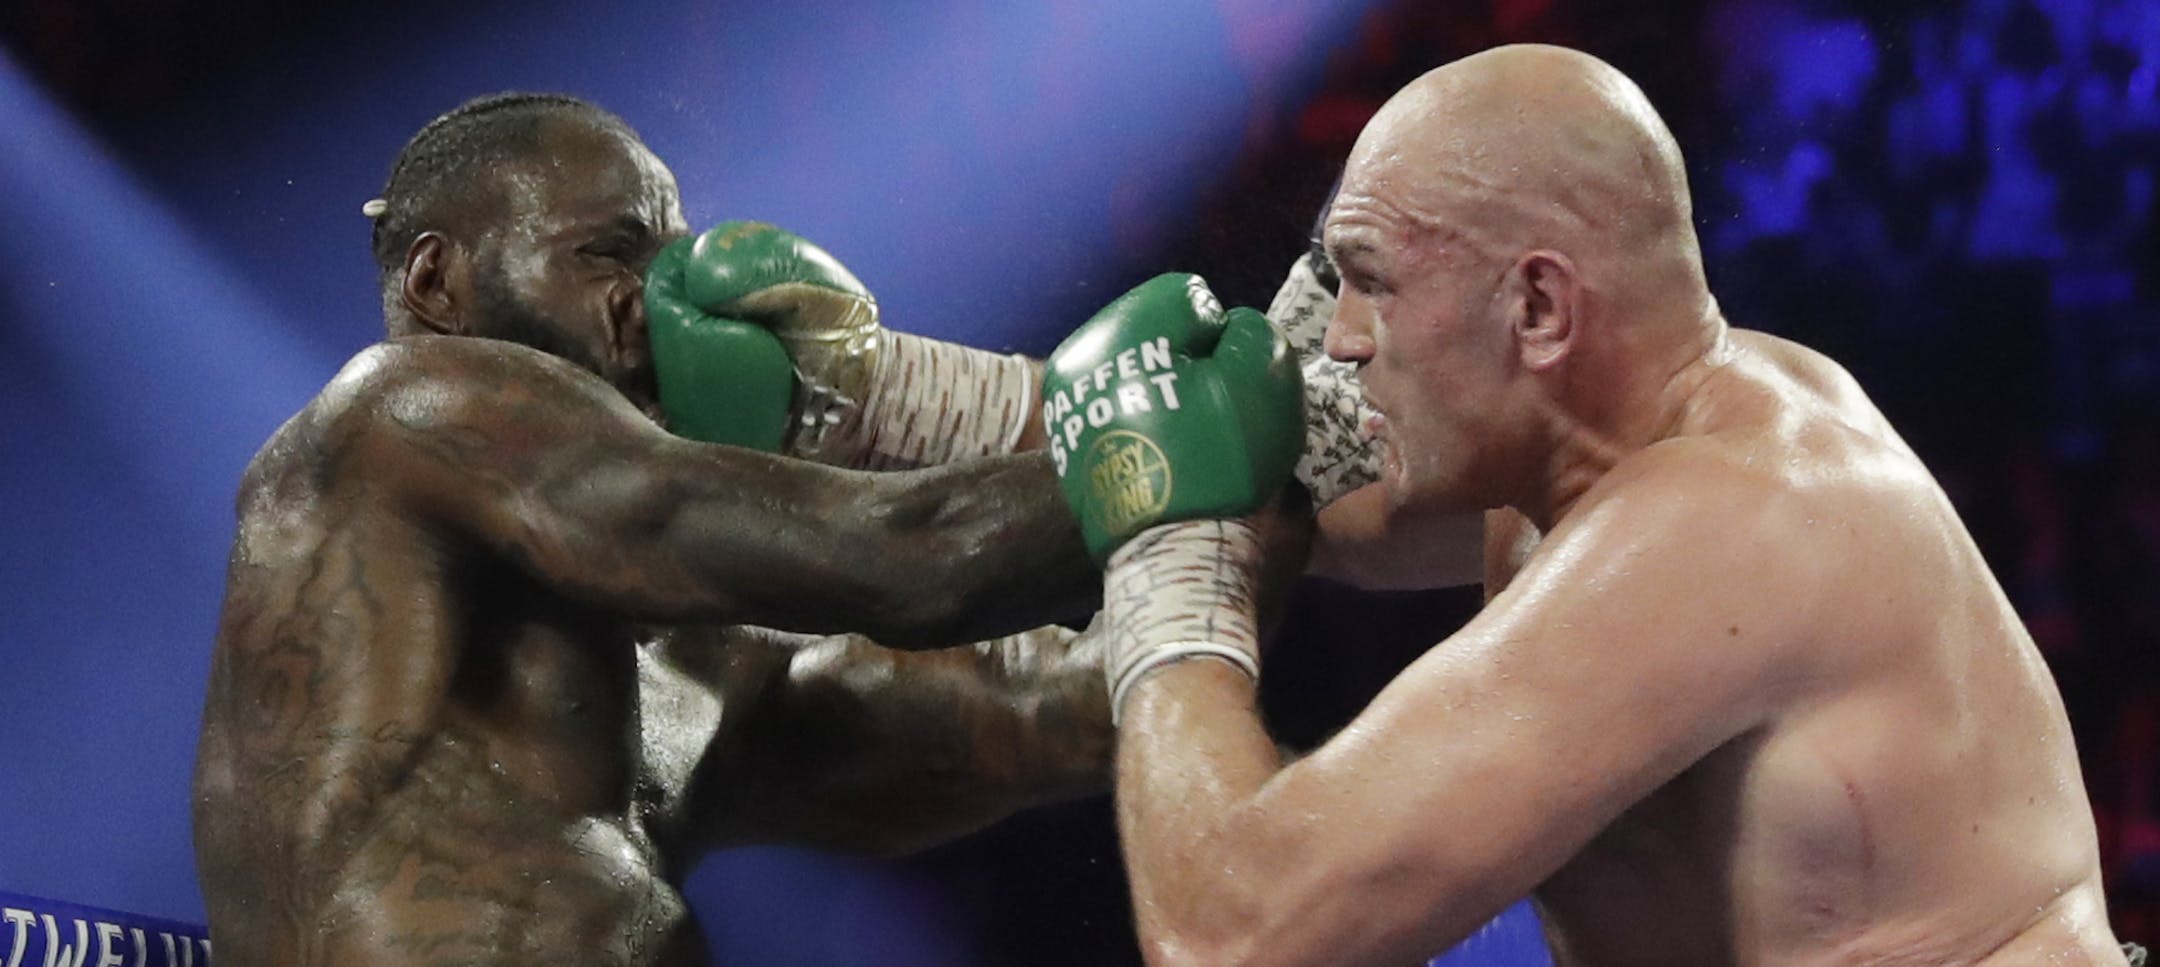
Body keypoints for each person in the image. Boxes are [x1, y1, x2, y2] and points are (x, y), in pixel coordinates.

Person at [1046, 44, 2141, 965]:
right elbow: (1225, 473)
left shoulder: (1726, 521)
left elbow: (1237, 937)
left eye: (1372, 280)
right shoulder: (1593, 448)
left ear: (1536, 305)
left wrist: (1167, 561)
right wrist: (901, 391)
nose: (1337, 338)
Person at [190, 92, 1122, 966]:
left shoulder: (691, 656)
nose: (669, 306)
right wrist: (937, 401)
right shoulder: (398, 409)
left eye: (672, 261)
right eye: (610, 253)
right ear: (439, 283)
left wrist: (1252, 484)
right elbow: (902, 558)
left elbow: (1069, 707)